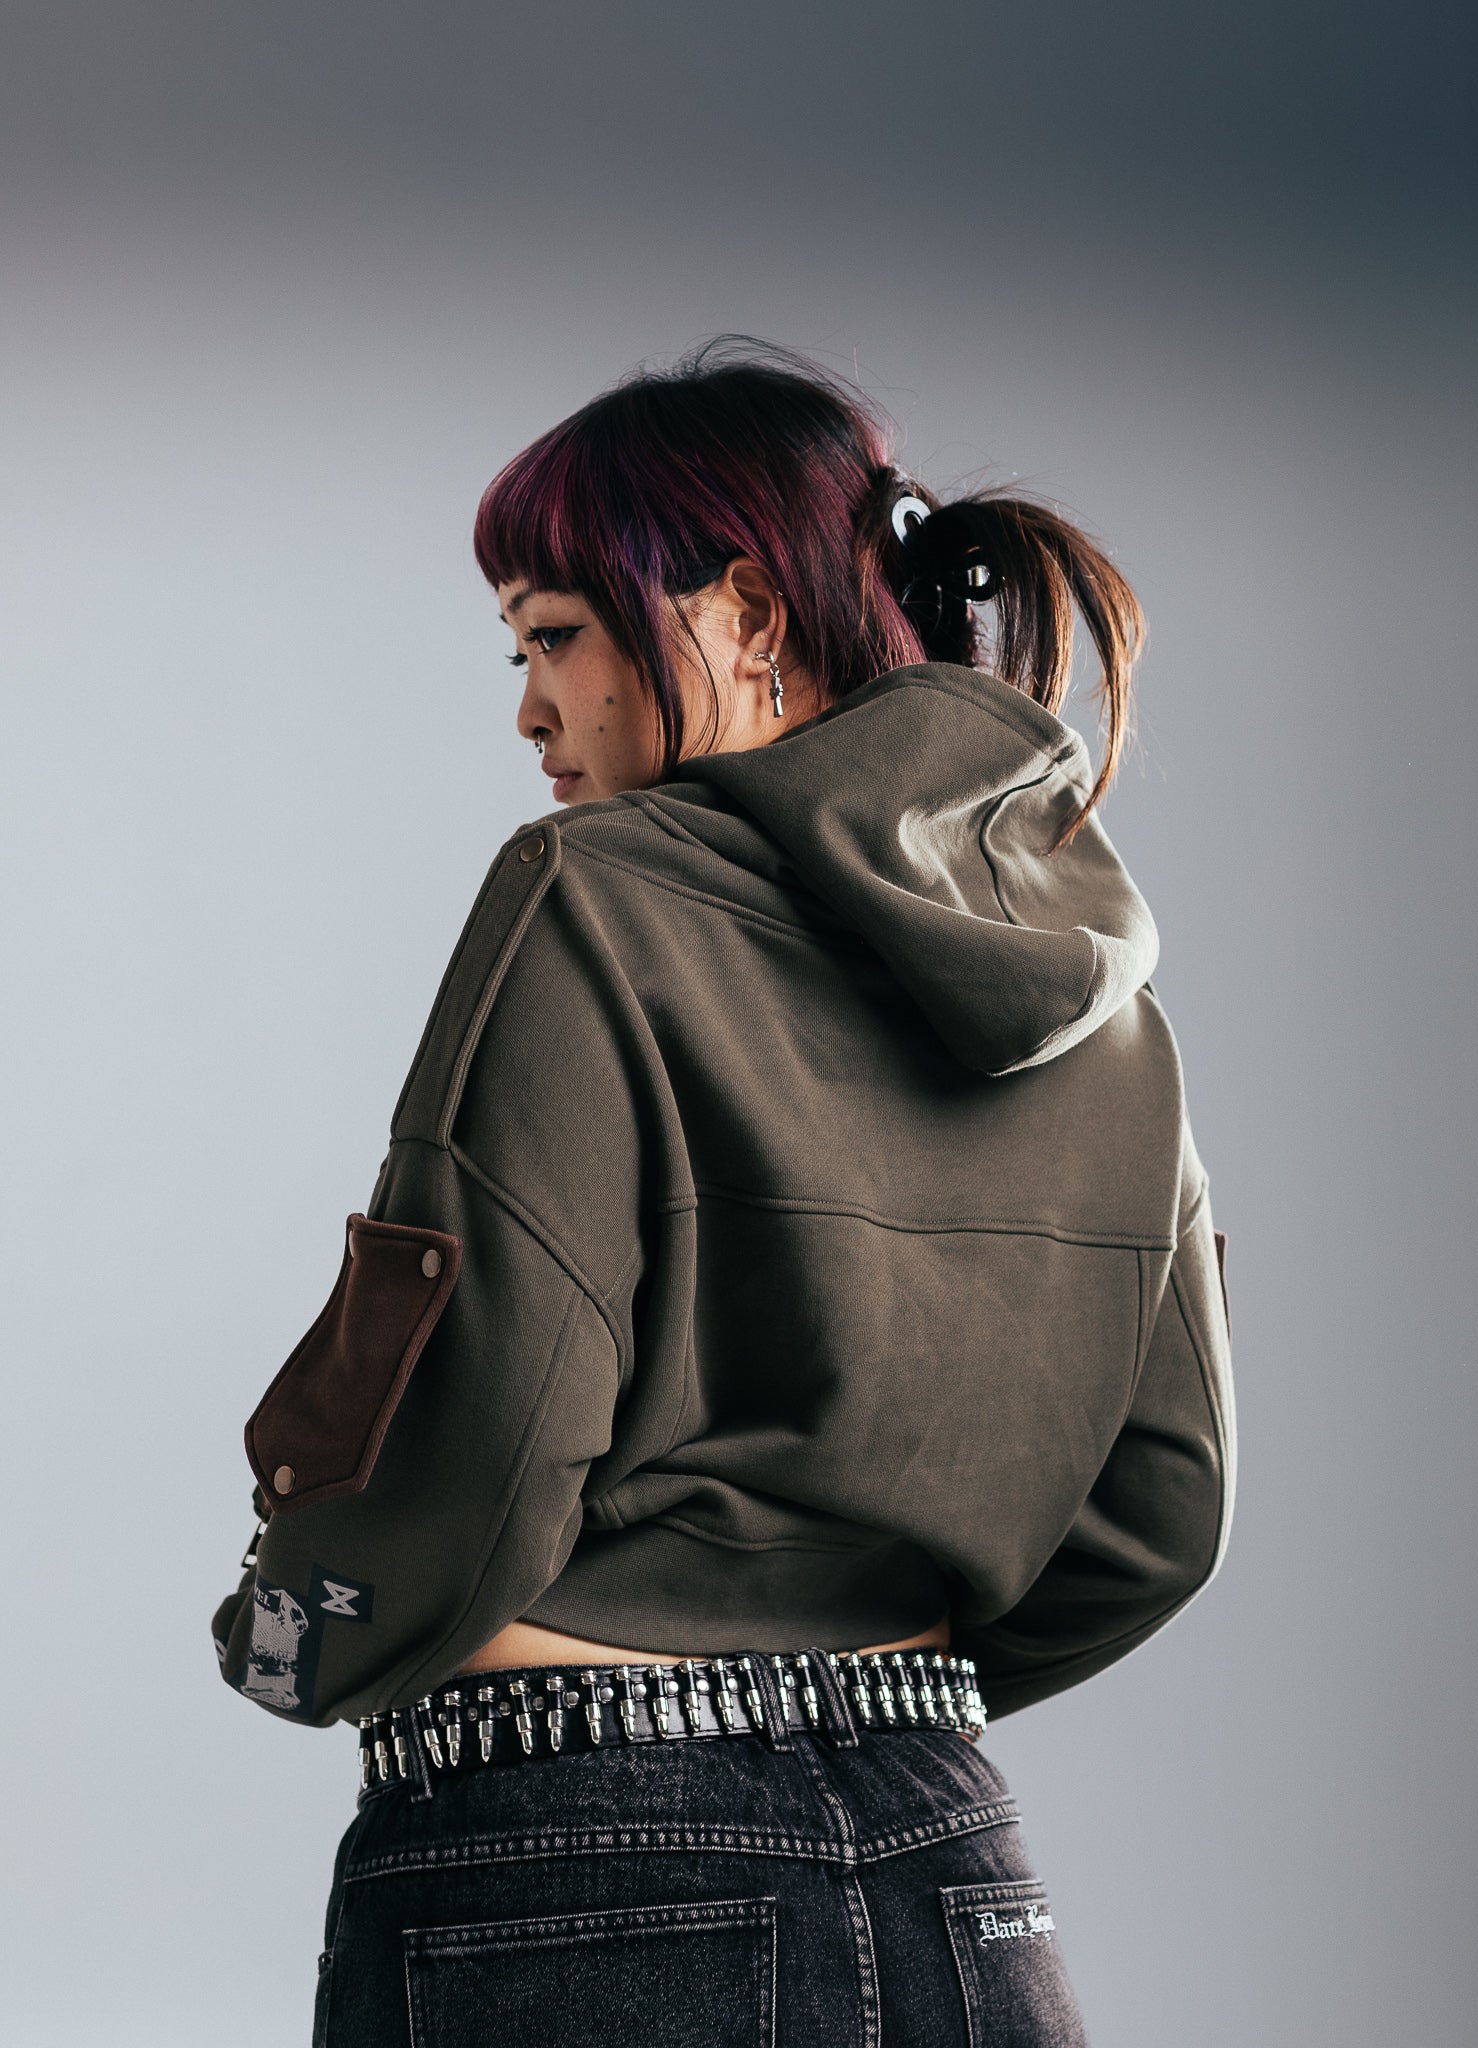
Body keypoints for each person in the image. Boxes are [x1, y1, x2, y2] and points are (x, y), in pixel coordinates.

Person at [212, 337, 1235, 2046]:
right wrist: (865, 1696)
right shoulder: (1106, 1003)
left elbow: (476, 1434)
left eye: (554, 635)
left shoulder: (589, 898)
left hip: (579, 1872)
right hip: (961, 1876)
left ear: (748, 615)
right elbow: (1165, 1513)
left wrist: (277, 1639)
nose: (529, 707)